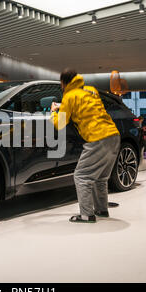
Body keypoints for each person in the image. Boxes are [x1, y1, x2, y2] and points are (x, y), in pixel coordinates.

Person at [51, 68, 120, 223]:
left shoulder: (69, 96)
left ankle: (86, 215)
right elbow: (84, 106)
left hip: (97, 137)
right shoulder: (91, 90)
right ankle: (101, 210)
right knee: (101, 178)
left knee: (82, 176)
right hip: (114, 135)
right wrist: (63, 106)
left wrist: (54, 112)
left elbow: (60, 124)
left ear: (63, 82)